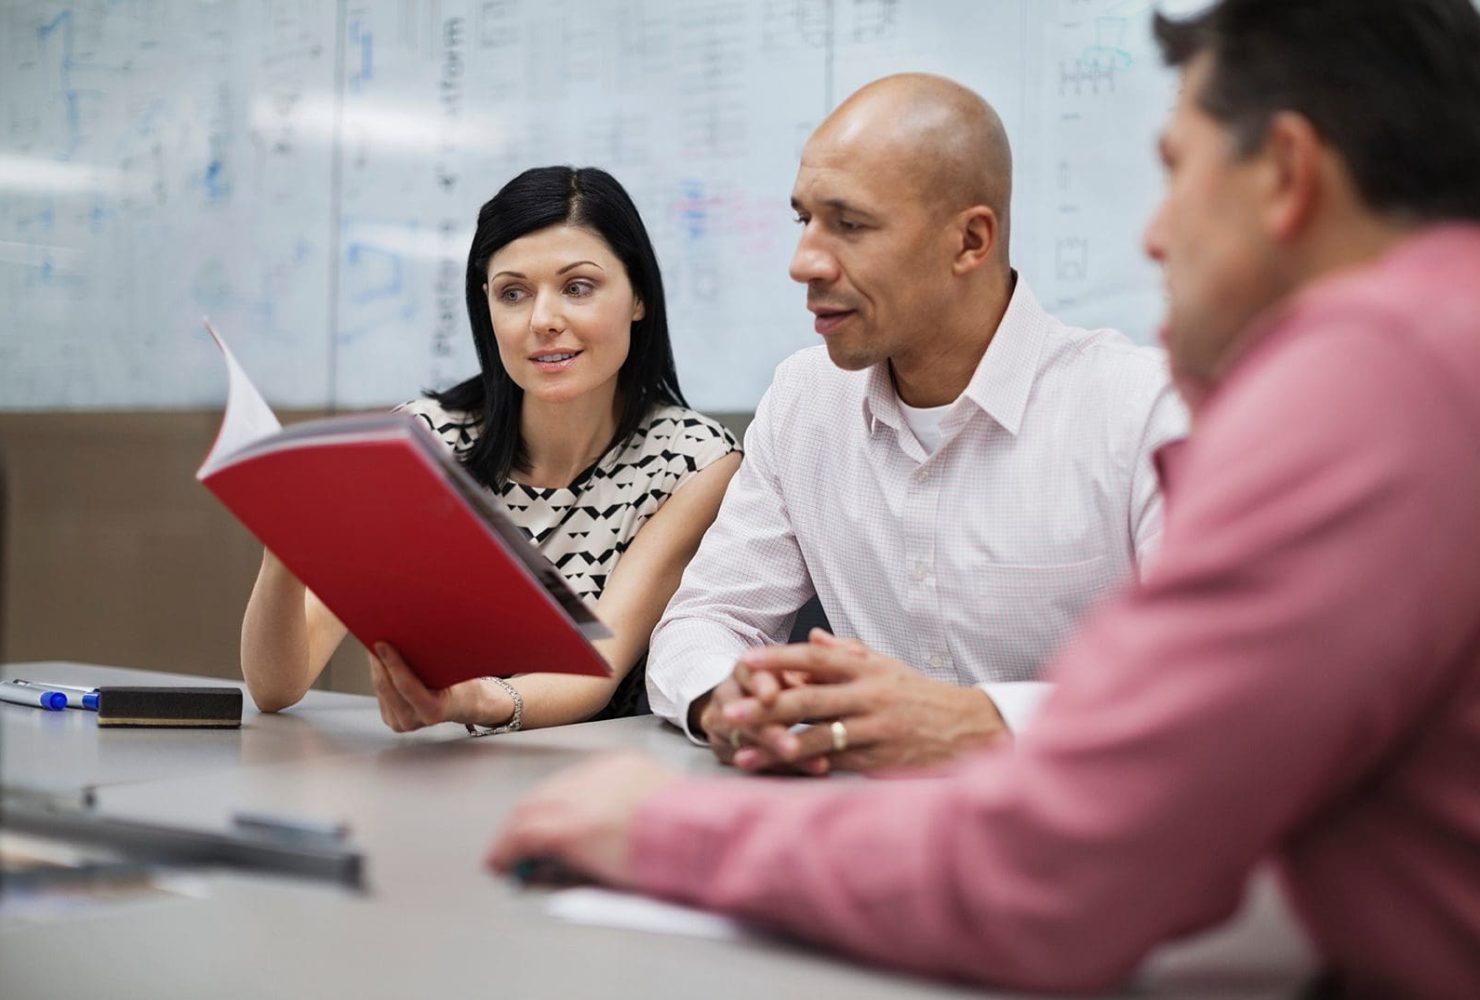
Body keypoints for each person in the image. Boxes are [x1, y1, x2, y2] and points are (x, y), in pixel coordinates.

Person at [488, 1, 1480, 996]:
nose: (1153, 236)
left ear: (1287, 174)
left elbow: (1067, 873)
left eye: (1177, 170)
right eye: (804, 220)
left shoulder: (1368, 377)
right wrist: (730, 699)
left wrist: (663, 828)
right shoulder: (1428, 347)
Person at [647, 73, 1186, 773]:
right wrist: (730, 698)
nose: (802, 261)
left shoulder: (1140, 409)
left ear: (969, 241)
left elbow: (1209, 680)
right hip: (867, 835)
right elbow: (704, 620)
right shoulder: (803, 400)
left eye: (849, 224)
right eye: (802, 219)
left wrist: (982, 722)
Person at [241, 166, 741, 732]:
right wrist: (284, 551)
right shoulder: (424, 442)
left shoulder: (694, 460)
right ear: (487, 306)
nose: (544, 320)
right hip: (436, 778)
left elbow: (596, 667)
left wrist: (467, 702)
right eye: (513, 293)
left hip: (601, 782)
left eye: (578, 287)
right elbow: (276, 687)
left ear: (638, 297)